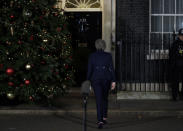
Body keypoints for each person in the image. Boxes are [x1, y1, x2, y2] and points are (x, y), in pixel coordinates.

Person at [87, 39, 116, 129]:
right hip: (106, 79)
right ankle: (104, 117)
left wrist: (88, 82)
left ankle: (100, 120)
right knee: (104, 98)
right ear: (104, 46)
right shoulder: (108, 55)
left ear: (96, 46)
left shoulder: (92, 56)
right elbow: (111, 69)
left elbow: (89, 70)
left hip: (95, 79)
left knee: (99, 100)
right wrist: (114, 81)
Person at [169, 28, 183, 101]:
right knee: (175, 81)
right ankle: (175, 96)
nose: (182, 37)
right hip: (176, 65)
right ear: (178, 36)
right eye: (181, 35)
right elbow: (171, 55)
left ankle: (181, 96)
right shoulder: (175, 44)